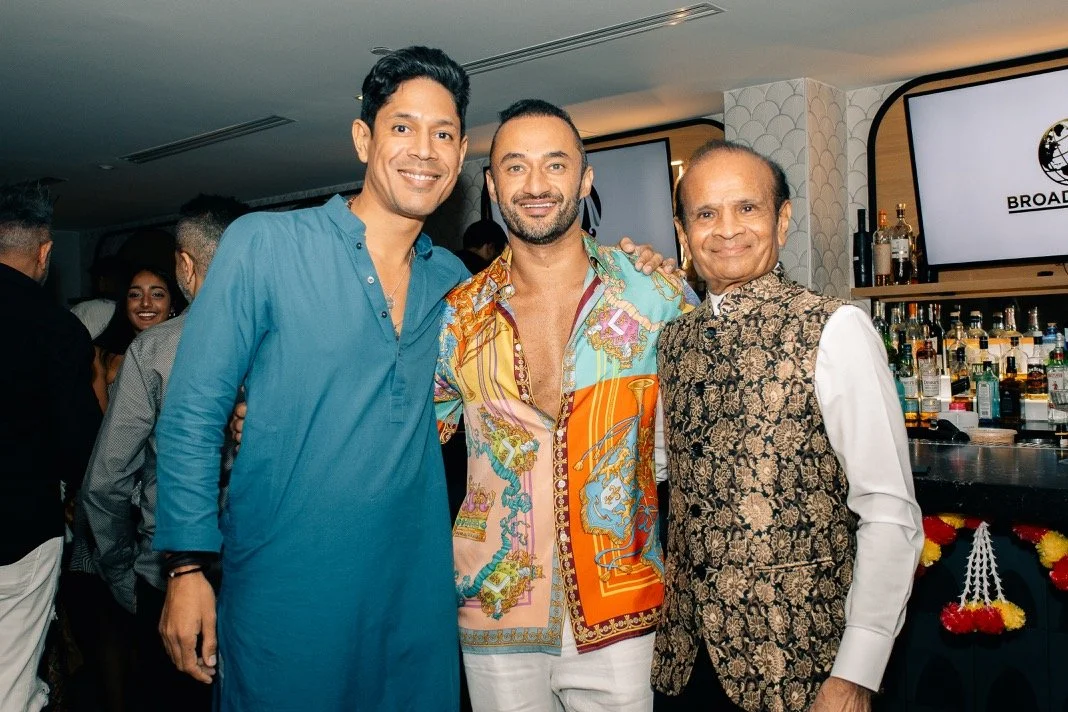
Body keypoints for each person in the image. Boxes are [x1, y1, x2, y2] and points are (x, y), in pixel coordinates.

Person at [152, 46, 474, 711]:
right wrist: (185, 566)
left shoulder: (455, 282)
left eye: (443, 134)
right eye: (403, 127)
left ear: (462, 152)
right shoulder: (265, 244)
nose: (424, 150)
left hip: (415, 603)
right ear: (363, 138)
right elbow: (192, 410)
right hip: (285, 594)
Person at [434, 99, 697, 712]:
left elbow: (710, 436)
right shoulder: (457, 318)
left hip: (624, 607)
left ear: (584, 179)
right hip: (494, 604)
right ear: (492, 185)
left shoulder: (655, 295)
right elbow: (401, 434)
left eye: (555, 165)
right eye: (515, 166)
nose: (535, 185)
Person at [652, 140, 923, 712]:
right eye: (706, 213)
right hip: (687, 663)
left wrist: (856, 675)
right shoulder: (672, 341)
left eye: (747, 208)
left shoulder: (835, 328)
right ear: (683, 231)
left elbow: (888, 510)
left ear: (782, 219)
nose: (727, 229)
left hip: (801, 664)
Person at [81, 195, 249, 712]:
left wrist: (121, 572)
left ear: (185, 265)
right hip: (266, 570)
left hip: (170, 573)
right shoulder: (295, 340)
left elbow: (106, 479)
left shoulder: (155, 349)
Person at [0, 182, 101, 711]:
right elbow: (78, 442)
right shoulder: (56, 328)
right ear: (44, 252)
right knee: (12, 681)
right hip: (19, 530)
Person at [90, 264, 184, 411]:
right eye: (135, 295)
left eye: (157, 294)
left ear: (172, 305)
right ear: (125, 303)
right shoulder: (99, 356)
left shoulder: (184, 352)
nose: (145, 303)